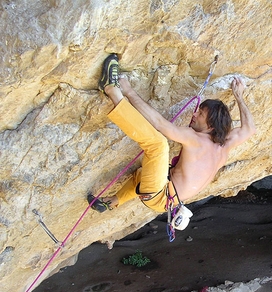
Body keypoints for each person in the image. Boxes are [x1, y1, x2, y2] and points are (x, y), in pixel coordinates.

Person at [88, 54, 255, 229]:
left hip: (160, 195)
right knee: (145, 172)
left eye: (200, 114)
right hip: (166, 200)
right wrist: (239, 96)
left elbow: (160, 124)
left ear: (211, 125)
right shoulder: (224, 146)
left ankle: (110, 88)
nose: (194, 114)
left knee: (158, 145)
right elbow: (249, 129)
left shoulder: (195, 139)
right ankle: (113, 201)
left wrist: (128, 91)